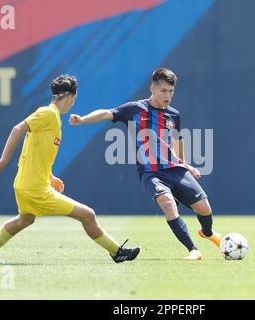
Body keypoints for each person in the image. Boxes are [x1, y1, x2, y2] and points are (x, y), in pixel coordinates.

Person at [0, 75, 140, 264]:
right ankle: (117, 252)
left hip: (26, 184)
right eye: (74, 100)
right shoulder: (48, 114)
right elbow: (17, 129)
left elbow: (34, 150)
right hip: (35, 188)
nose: (72, 104)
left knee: (25, 219)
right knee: (88, 214)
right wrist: (3, 160)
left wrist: (50, 176)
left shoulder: (52, 118)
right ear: (69, 96)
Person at [69, 68, 221, 260]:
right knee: (168, 203)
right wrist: (83, 120)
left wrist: (184, 163)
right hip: (151, 173)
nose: (168, 96)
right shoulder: (135, 109)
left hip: (175, 170)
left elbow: (177, 140)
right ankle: (193, 250)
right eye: (163, 91)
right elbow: (107, 113)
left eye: (171, 91)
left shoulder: (173, 115)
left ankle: (207, 233)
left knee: (204, 208)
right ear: (152, 88)